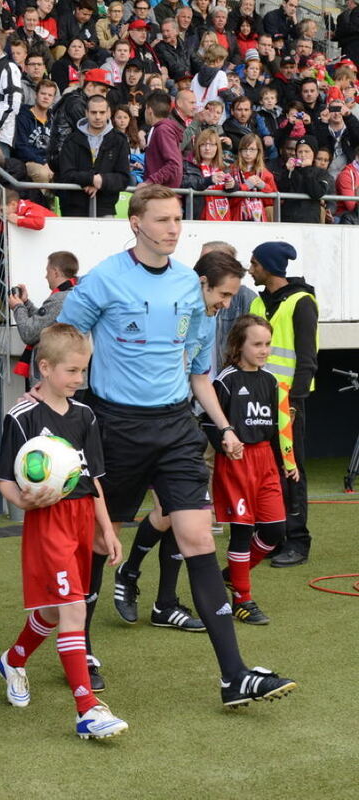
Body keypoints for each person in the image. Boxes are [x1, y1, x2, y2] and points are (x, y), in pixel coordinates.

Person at [58, 184, 297, 707]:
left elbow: (196, 369)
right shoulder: (103, 280)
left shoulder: (192, 290)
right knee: (101, 541)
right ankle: (82, 648)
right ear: (136, 223)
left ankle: (233, 675)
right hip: (115, 426)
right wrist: (58, 408)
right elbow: (62, 343)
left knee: (197, 539)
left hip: (174, 428)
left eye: (177, 220)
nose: (172, 228)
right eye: (162, 219)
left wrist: (222, 426)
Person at [0, 324, 127, 738]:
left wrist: (107, 529)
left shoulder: (86, 416)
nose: (79, 380)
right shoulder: (22, 416)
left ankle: (14, 659)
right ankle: (88, 708)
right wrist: (24, 501)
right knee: (73, 609)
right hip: (48, 522)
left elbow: (95, 480)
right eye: (72, 371)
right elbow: (2, 478)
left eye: (83, 371)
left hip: (83, 518)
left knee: (55, 608)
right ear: (45, 367)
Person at [112, 249, 244, 632]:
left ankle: (163, 603)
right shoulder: (167, 308)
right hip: (135, 426)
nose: (227, 303)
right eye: (224, 294)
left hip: (179, 426)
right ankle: (131, 574)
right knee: (171, 514)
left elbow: (199, 378)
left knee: (183, 514)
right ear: (201, 283)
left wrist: (225, 428)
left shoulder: (206, 321)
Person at [203, 314, 298, 625]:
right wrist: (225, 443)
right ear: (238, 345)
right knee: (242, 532)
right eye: (257, 344)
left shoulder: (271, 381)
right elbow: (209, 423)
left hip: (266, 462)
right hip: (236, 463)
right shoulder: (226, 381)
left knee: (274, 530)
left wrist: (286, 461)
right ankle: (242, 599)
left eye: (268, 344)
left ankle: (231, 575)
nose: (264, 350)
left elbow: (277, 428)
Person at [248, 242, 318, 568]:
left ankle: (298, 541)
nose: (251, 269)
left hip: (289, 403)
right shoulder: (260, 303)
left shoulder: (302, 302)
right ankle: (275, 537)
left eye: (254, 264)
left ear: (269, 267)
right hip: (261, 401)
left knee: (292, 471)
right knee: (269, 472)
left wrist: (293, 403)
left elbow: (307, 359)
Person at [9, 251, 80, 387]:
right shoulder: (75, 294)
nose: (45, 276)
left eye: (47, 272)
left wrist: (18, 307)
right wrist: (26, 303)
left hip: (54, 383)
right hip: (68, 378)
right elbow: (45, 322)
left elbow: (30, 333)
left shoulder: (60, 300)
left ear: (55, 272)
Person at [57, 94, 131, 217]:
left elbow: (123, 178)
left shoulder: (119, 140)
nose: (98, 117)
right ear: (86, 113)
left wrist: (102, 181)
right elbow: (66, 174)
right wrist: (91, 179)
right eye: (94, 112)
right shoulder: (71, 140)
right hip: (73, 209)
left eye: (102, 112)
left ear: (108, 113)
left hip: (105, 208)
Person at [181, 128, 236, 220]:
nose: (207, 148)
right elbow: (187, 183)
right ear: (198, 147)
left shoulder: (225, 167)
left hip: (224, 218)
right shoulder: (189, 164)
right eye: (203, 144)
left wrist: (233, 185)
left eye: (211, 145)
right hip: (199, 219)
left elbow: (238, 187)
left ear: (217, 147)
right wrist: (209, 180)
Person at [278, 136, 333, 223]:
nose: (303, 155)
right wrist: (287, 171)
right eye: (300, 151)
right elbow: (282, 189)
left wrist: (306, 169)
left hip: (310, 219)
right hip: (288, 218)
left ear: (314, 154)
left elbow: (316, 193)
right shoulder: (291, 170)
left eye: (307, 151)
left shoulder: (322, 173)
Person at [12, 79, 56, 183]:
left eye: (50, 95)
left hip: (49, 162)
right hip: (28, 161)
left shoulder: (54, 120)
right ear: (36, 94)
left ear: (53, 99)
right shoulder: (23, 117)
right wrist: (42, 162)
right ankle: (40, 199)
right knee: (42, 174)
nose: (46, 97)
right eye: (43, 93)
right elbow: (21, 147)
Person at [229, 133, 278, 222]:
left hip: (259, 219)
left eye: (252, 149)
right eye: (244, 149)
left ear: (258, 151)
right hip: (236, 218)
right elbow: (228, 200)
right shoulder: (231, 171)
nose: (247, 153)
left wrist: (263, 186)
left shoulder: (266, 174)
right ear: (240, 151)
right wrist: (246, 187)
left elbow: (272, 202)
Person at [141, 91, 185, 187]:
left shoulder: (163, 130)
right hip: (161, 192)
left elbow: (174, 164)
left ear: (149, 110)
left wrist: (150, 182)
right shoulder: (161, 129)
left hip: (162, 194)